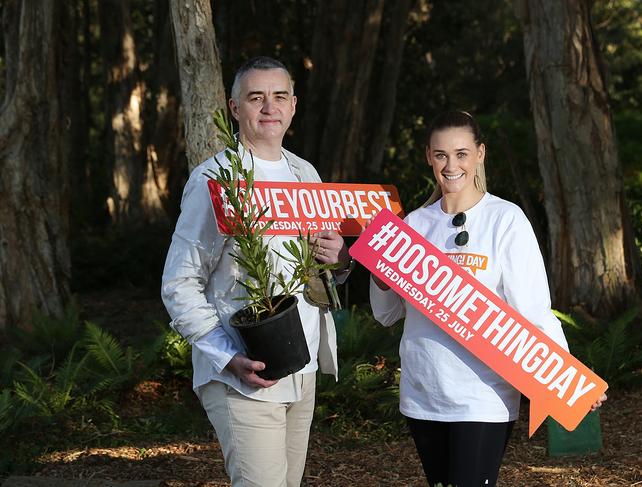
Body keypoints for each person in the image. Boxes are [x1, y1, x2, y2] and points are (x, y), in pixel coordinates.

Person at [369, 111, 607, 486]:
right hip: (423, 393)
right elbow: (386, 315)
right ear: (429, 157)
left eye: (462, 153)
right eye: (442, 155)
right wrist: (377, 262)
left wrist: (567, 376)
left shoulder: (506, 220)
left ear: (480, 154)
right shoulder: (413, 224)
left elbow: (533, 310)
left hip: (483, 396)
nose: (452, 165)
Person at [161, 56, 353, 487]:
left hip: (301, 367)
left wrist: (338, 259)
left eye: (279, 96)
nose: (270, 107)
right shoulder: (215, 181)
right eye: (256, 97)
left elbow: (325, 274)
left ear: (293, 105)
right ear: (235, 108)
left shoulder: (306, 175)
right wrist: (227, 358)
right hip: (245, 375)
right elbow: (178, 283)